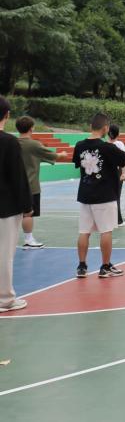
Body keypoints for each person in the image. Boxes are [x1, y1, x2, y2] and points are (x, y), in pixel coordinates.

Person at [73, 113, 125, 279]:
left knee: (84, 231)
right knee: (106, 231)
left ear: (91, 126)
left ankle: (82, 266)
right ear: (106, 128)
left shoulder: (79, 145)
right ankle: (105, 266)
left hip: (85, 195)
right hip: (105, 195)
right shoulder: (108, 147)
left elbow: (78, 164)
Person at [1, 96, 34, 313]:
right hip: (5, 207)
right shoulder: (9, 142)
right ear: (7, 115)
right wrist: (27, 205)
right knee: (4, 254)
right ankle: (4, 298)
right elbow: (18, 177)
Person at [15, 116, 56, 248]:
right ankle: (28, 239)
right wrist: (61, 154)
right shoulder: (34, 145)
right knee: (28, 214)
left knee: (11, 215)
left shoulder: (12, 143)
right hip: (30, 187)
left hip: (12, 186)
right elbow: (52, 155)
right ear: (32, 128)